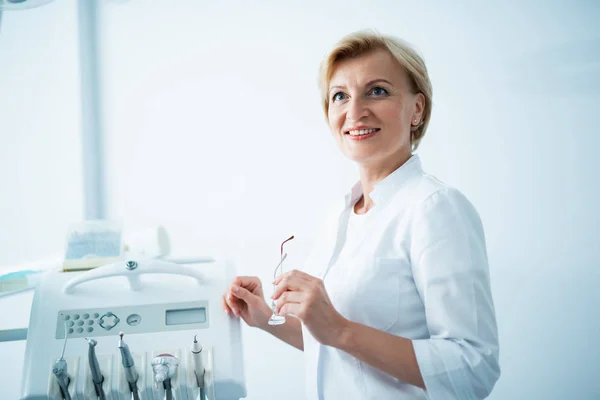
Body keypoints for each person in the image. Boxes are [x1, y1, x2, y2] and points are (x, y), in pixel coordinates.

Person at [222, 30, 500, 399]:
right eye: (340, 96)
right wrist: (266, 319)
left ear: (417, 109)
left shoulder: (436, 209)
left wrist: (338, 328)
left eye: (378, 91)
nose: (354, 111)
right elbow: (332, 346)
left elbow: (474, 366)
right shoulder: (341, 213)